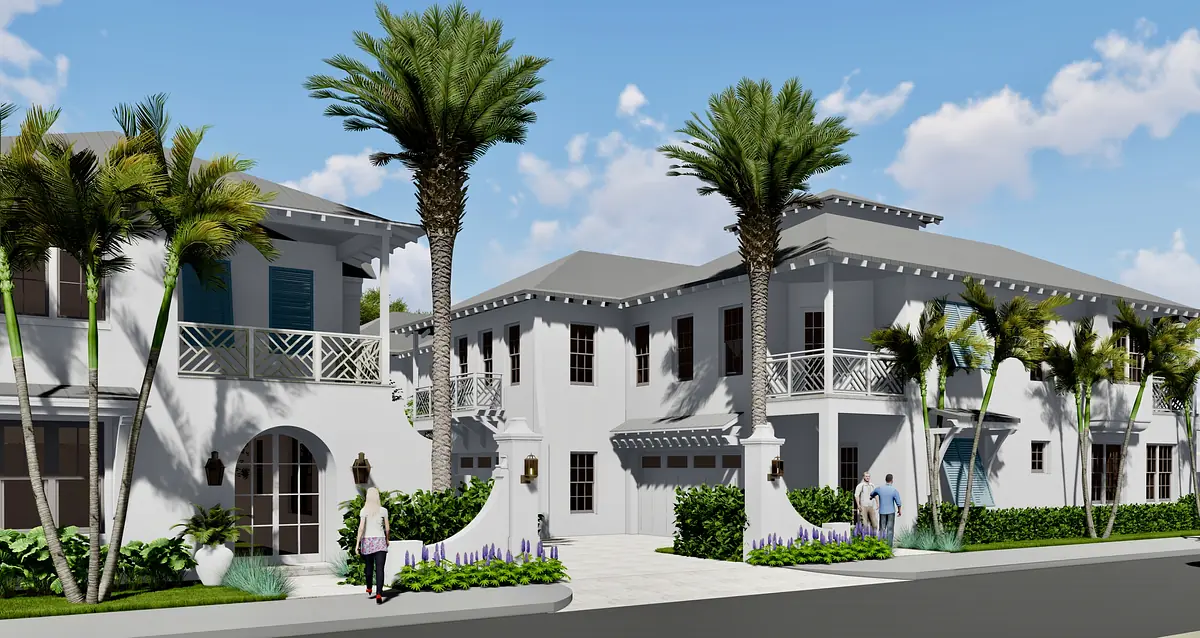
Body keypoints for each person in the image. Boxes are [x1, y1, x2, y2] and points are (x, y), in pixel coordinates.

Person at [355, 487, 390, 604]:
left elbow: (361, 528)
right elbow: (387, 528)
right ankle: (379, 593)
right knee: (380, 568)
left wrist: (357, 544)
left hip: (368, 541)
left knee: (369, 567)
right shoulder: (383, 511)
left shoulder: (364, 511)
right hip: (380, 541)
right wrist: (387, 539)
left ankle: (369, 587)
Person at [870, 474, 902, 546]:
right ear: (892, 480)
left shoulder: (879, 489)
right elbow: (898, 502)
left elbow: (872, 493)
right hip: (891, 512)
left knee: (882, 529)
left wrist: (872, 497)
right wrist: (899, 510)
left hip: (882, 512)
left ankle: (881, 545)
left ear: (885, 480)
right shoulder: (894, 490)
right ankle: (889, 546)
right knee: (890, 529)